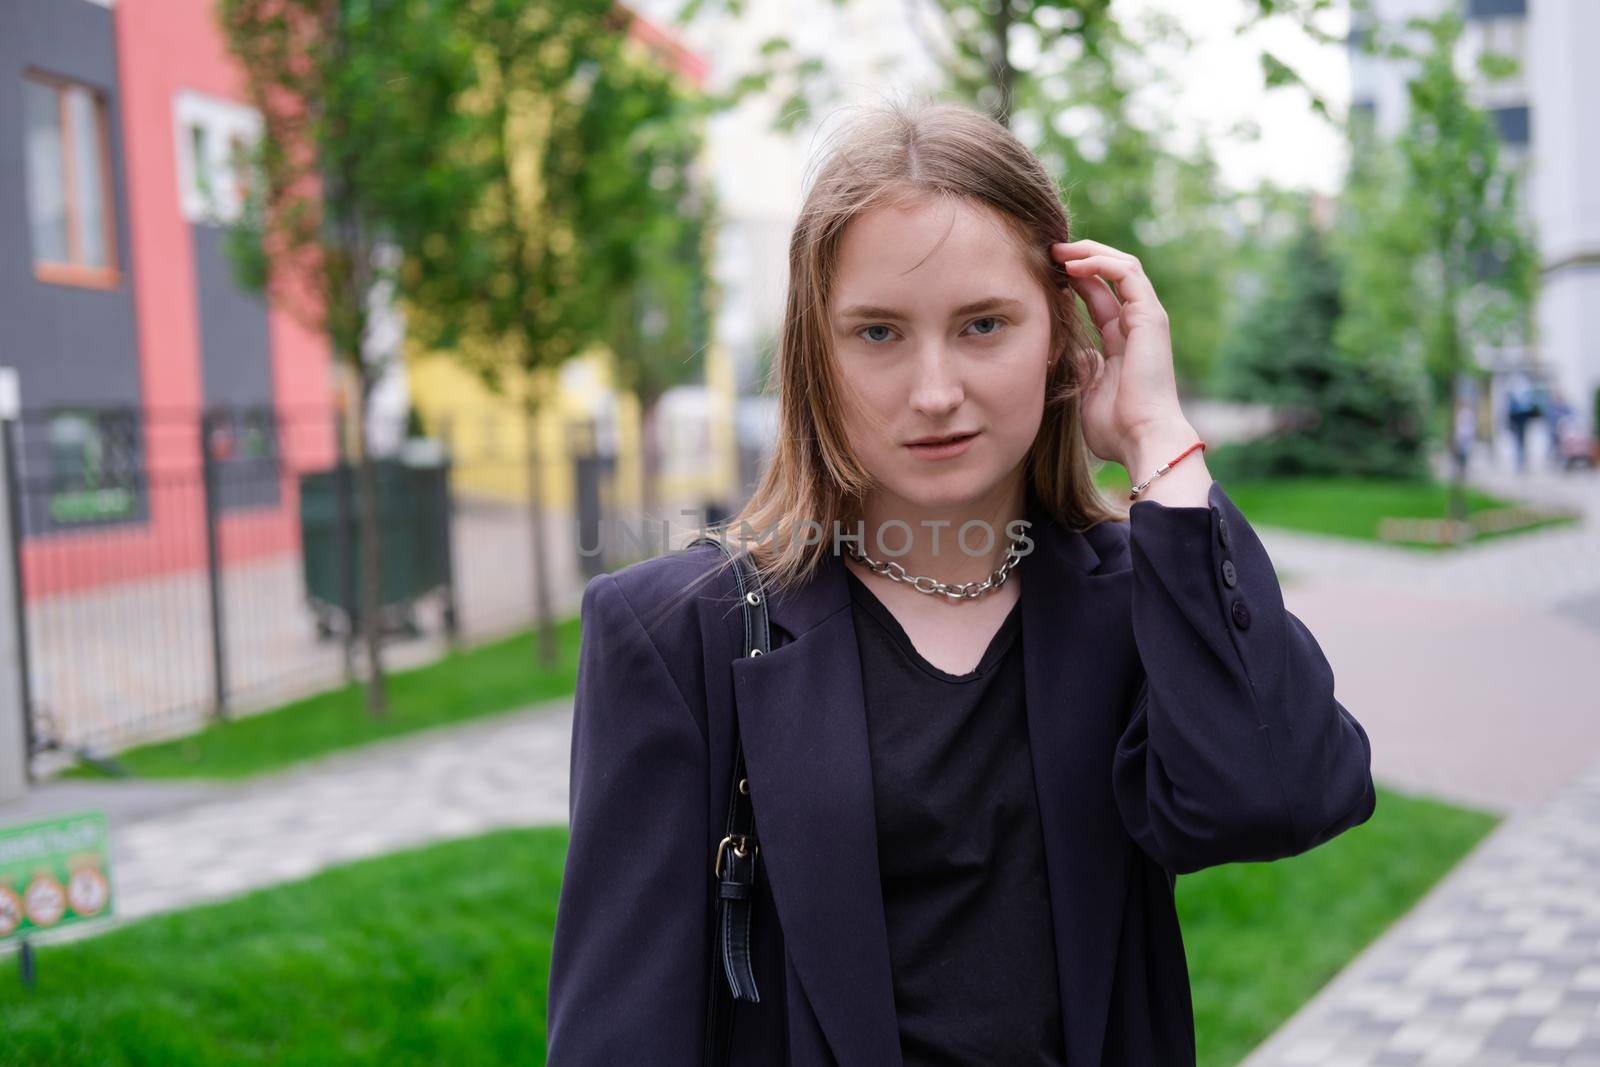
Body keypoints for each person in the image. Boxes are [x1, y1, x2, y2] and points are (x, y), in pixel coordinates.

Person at [545, 98, 1376, 1066]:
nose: (934, 390)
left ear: (1061, 342)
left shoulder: (1131, 604)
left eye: (983, 324)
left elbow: (1277, 794)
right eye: (878, 333)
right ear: (815, 353)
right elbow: (620, 1033)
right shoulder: (677, 631)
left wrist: (1158, 440)